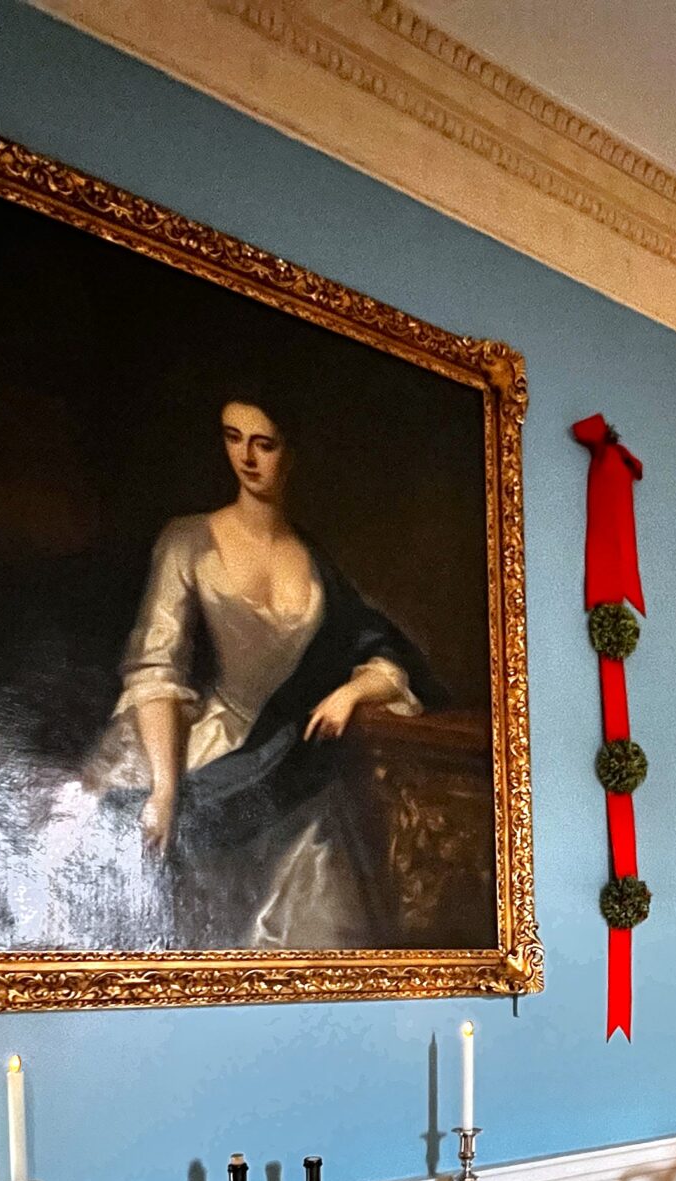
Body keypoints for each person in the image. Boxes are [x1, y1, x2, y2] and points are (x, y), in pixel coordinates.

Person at [81, 395, 445, 947]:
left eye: (264, 444)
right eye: (233, 438)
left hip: (294, 765)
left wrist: (350, 693)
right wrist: (165, 791)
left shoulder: (316, 564)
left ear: (291, 454)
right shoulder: (188, 539)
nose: (246, 458)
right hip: (203, 751)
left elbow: (382, 653)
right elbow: (157, 668)